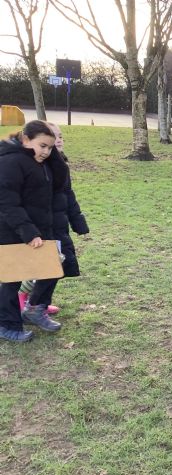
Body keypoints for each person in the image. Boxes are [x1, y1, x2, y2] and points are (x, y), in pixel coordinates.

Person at [0, 120, 68, 342]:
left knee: (52, 268)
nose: (46, 152)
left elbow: (59, 182)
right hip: (13, 232)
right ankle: (7, 324)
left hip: (40, 229)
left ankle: (34, 309)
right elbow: (7, 202)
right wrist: (27, 232)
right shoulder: (10, 162)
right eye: (42, 146)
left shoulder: (40, 161)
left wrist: (53, 155)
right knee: (11, 280)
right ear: (25, 139)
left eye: (50, 147)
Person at [19, 122, 89, 320]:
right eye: (53, 137)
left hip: (58, 224)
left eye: (60, 136)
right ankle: (26, 303)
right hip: (40, 227)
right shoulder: (35, 164)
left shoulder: (60, 165)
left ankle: (37, 304)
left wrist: (78, 221)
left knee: (57, 266)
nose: (58, 140)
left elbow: (68, 194)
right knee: (42, 267)